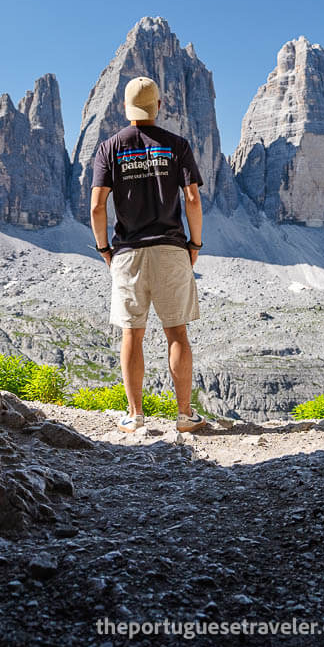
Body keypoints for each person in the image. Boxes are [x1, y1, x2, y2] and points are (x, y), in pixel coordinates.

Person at [89, 76, 209, 434]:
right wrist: (195, 245)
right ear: (159, 106)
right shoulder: (177, 145)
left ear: (124, 109)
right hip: (172, 248)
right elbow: (192, 199)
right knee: (177, 334)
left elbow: (97, 206)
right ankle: (185, 415)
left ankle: (134, 415)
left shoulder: (110, 147)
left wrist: (104, 250)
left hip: (127, 252)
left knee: (132, 334)